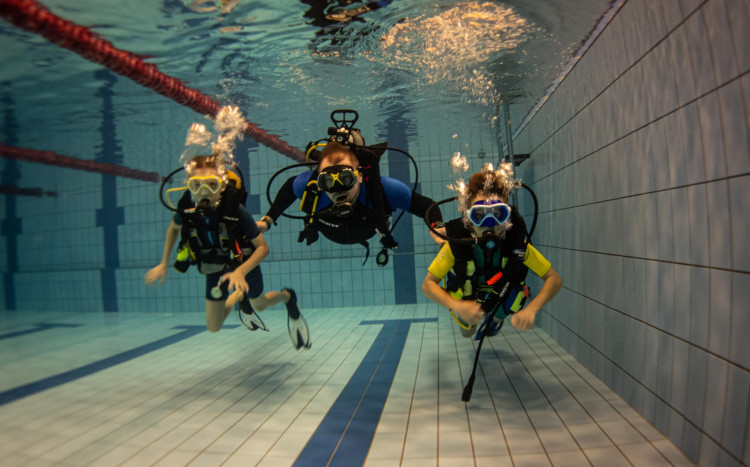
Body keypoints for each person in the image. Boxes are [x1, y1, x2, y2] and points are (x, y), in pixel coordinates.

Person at [145, 153, 311, 349]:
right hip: (213, 264)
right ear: (188, 186)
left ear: (222, 186)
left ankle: (288, 297)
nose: (204, 193)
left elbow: (262, 248)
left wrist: (240, 272)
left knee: (260, 304)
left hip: (241, 261)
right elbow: (174, 228)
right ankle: (239, 295)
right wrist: (163, 263)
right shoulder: (187, 209)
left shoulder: (235, 210)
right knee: (213, 326)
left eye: (212, 185)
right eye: (197, 185)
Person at [421, 164, 562, 337]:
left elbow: (554, 279)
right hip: (468, 299)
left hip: (502, 295)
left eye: (498, 213)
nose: (490, 224)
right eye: (480, 215)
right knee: (467, 332)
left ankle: (496, 318)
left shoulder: (516, 245)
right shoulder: (457, 244)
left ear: (507, 217)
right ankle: (474, 321)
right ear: (468, 218)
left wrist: (532, 309)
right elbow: (427, 285)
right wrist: (458, 305)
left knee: (503, 308)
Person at [258, 140, 444, 263]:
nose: (338, 189)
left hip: (367, 231)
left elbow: (427, 206)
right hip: (330, 231)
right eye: (327, 181)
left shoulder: (384, 190)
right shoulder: (309, 188)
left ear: (360, 176)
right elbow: (289, 187)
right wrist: (267, 220)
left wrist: (437, 227)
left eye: (346, 178)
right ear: (319, 181)